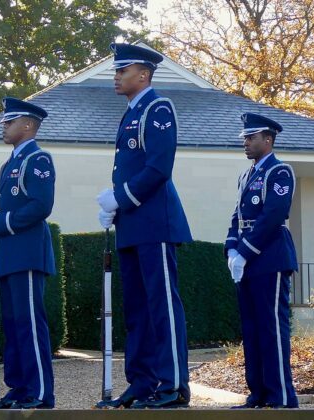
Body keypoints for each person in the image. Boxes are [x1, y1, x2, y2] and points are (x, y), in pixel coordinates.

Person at [96, 43, 192, 409]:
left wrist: (122, 198)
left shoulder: (157, 107)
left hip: (155, 223)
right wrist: (115, 205)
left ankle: (174, 384)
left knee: (162, 305)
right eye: (116, 70)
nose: (116, 76)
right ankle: (142, 381)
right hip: (134, 225)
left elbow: (158, 167)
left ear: (144, 74)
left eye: (123, 70)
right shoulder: (130, 114)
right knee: (136, 309)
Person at [0, 97, 56, 409]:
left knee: (28, 323)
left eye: (9, 122)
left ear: (27, 125)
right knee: (12, 325)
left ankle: (39, 392)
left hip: (27, 254)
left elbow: (40, 206)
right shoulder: (9, 164)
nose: (4, 127)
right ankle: (20, 387)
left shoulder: (37, 159)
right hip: (12, 255)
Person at [224, 112, 299, 409]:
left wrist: (244, 251)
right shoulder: (247, 175)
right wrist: (231, 248)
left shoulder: (279, 171)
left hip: (270, 258)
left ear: (267, 139)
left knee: (271, 328)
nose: (246, 142)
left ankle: (281, 395)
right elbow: (236, 217)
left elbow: (273, 216)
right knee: (252, 328)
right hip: (248, 258)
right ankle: (258, 394)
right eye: (245, 137)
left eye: (251, 137)